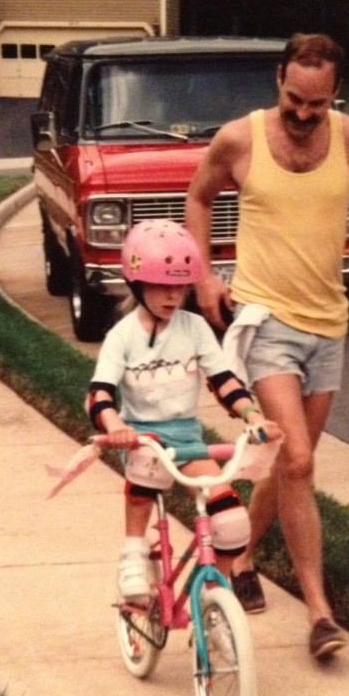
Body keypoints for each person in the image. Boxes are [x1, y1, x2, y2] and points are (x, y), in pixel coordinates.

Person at [185, 32, 349, 659]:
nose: (304, 116)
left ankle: (243, 555)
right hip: (263, 320)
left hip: (327, 325)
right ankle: (318, 613)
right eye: (292, 100)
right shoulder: (239, 138)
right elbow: (198, 198)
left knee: (285, 466)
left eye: (317, 104)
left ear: (336, 93)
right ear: (279, 78)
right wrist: (203, 272)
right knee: (301, 460)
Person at [87, 219, 282, 603]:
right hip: (145, 437)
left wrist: (252, 416)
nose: (172, 295)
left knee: (231, 523)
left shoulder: (193, 328)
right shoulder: (122, 336)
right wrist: (115, 425)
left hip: (188, 440)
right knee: (144, 469)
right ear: (137, 284)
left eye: (180, 285)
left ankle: (213, 594)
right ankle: (133, 552)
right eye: (162, 284)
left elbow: (223, 379)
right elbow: (99, 393)